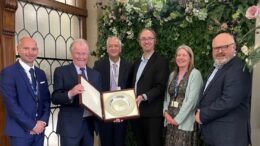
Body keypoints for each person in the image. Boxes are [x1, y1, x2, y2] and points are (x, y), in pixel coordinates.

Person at [195, 32, 252, 146]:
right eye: (216, 48)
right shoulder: (218, 67)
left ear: (234, 47)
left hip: (229, 136)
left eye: (224, 47)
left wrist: (202, 115)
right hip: (216, 134)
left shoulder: (238, 68)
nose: (220, 51)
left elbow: (229, 100)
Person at [0, 37, 51, 146]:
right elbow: (11, 105)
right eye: (26, 48)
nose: (30, 52)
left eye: (33, 49)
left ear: (37, 51)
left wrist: (42, 122)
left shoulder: (41, 73)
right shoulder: (8, 73)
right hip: (20, 133)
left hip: (39, 132)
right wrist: (32, 126)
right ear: (18, 49)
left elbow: (46, 100)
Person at [52, 39, 102, 146]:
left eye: (84, 53)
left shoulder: (95, 74)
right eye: (77, 53)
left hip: (89, 125)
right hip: (69, 126)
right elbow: (55, 98)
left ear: (88, 54)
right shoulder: (61, 71)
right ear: (72, 54)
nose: (81, 56)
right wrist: (71, 92)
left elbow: (99, 99)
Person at [131, 28, 169, 146]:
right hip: (136, 113)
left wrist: (144, 96)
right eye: (143, 39)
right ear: (139, 42)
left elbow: (160, 87)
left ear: (154, 41)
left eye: (149, 38)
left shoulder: (161, 61)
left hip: (152, 114)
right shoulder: (137, 62)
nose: (146, 41)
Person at [93, 36, 132, 146]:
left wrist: (124, 112)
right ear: (107, 48)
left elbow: (131, 89)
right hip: (105, 112)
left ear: (120, 49)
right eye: (110, 46)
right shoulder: (99, 65)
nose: (113, 48)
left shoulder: (129, 66)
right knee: (106, 142)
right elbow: (96, 88)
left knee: (119, 142)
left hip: (122, 112)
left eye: (116, 46)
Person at [163, 44, 203, 146]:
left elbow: (191, 102)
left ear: (190, 58)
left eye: (184, 55)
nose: (181, 58)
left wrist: (177, 120)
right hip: (170, 121)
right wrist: (165, 113)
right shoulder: (172, 75)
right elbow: (167, 97)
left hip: (184, 124)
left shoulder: (195, 74)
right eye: (178, 55)